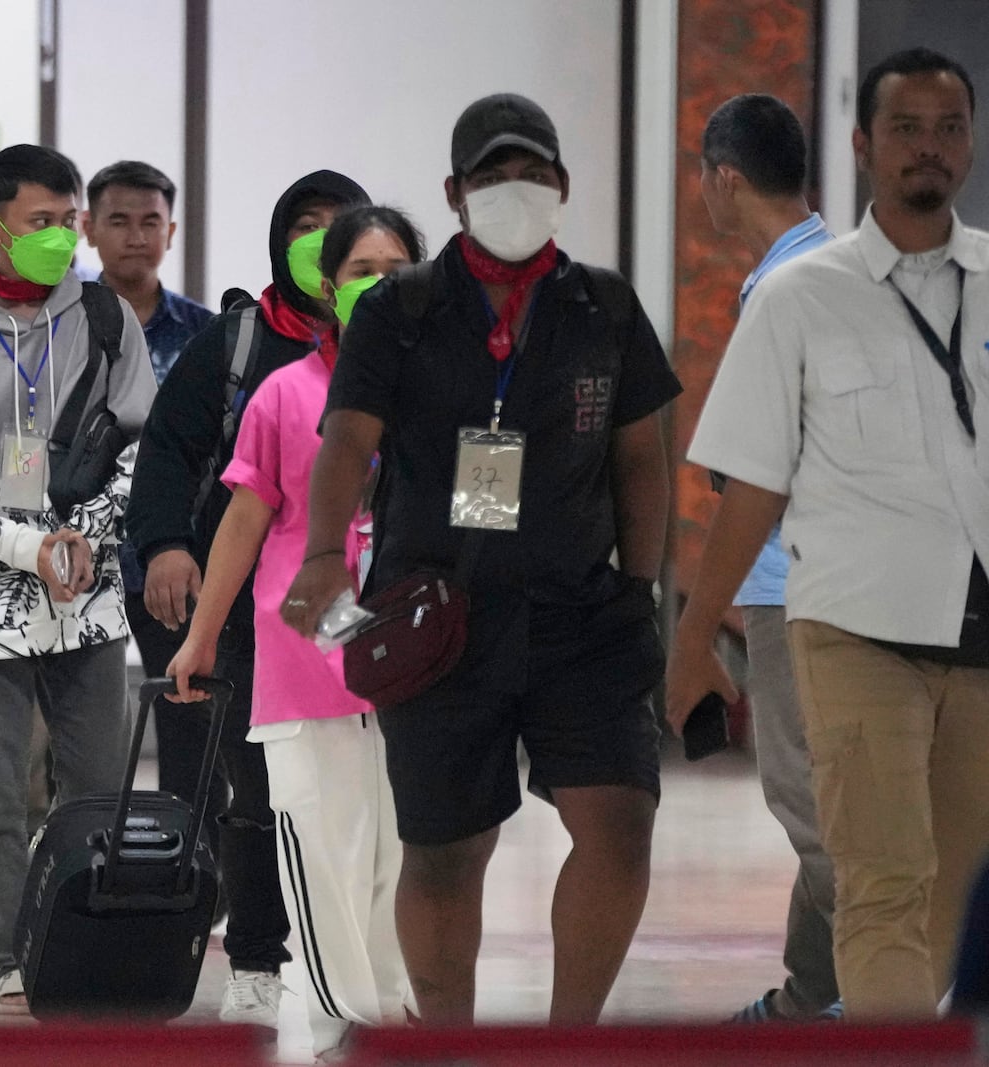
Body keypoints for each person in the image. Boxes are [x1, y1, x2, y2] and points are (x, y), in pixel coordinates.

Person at [283, 94, 680, 1026]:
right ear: (456, 193)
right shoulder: (400, 309)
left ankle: (568, 1039)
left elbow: (640, 457)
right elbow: (346, 441)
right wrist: (324, 554)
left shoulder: (604, 306)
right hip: (440, 619)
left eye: (533, 173)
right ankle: (446, 1042)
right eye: (495, 176)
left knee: (620, 823)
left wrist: (640, 588)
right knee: (447, 851)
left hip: (584, 614)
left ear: (564, 186)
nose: (517, 191)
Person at [668, 48, 989, 1020]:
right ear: (860, 146)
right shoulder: (802, 297)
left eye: (946, 128)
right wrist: (690, 640)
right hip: (851, 626)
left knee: (949, 885)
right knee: (877, 874)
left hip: (977, 638)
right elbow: (750, 488)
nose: (926, 149)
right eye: (904, 128)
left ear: (969, 144)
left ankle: (844, 1024)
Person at [0, 144, 157, 1015]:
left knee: (95, 786)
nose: (59, 236)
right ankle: (11, 951)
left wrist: (84, 535)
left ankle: (94, 935)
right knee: (1, 790)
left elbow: (143, 449)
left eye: (67, 220)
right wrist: (22, 546)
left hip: (88, 594)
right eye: (39, 222)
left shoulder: (109, 318)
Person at [167, 205, 421, 1056]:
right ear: (327, 285)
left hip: (416, 662)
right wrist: (202, 637)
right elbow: (241, 522)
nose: (378, 288)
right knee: (321, 852)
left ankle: (394, 1008)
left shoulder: (438, 391)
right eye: (361, 273)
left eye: (396, 272)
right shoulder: (285, 392)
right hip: (304, 659)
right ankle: (340, 1018)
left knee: (399, 853)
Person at [128, 168, 370, 1027]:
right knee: (257, 786)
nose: (324, 241)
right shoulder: (242, 347)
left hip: (372, 608)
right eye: (306, 225)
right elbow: (169, 452)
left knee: (372, 792)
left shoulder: (406, 348)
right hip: (256, 614)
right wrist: (164, 548)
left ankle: (363, 967)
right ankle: (260, 960)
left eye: (341, 226)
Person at [696, 93, 842, 1023]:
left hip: (804, 587)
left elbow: (759, 470)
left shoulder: (795, 286)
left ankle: (887, 997)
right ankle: (807, 999)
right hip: (816, 581)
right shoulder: (824, 271)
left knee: (816, 809)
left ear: (726, 180)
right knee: (825, 803)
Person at [81, 160, 225, 852]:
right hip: (78, 562)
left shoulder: (206, 334)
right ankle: (78, 854)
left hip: (173, 559)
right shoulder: (61, 326)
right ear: (89, 227)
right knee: (83, 724)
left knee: (188, 715)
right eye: (118, 220)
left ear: (171, 229)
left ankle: (188, 860)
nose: (135, 236)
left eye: (150, 222)